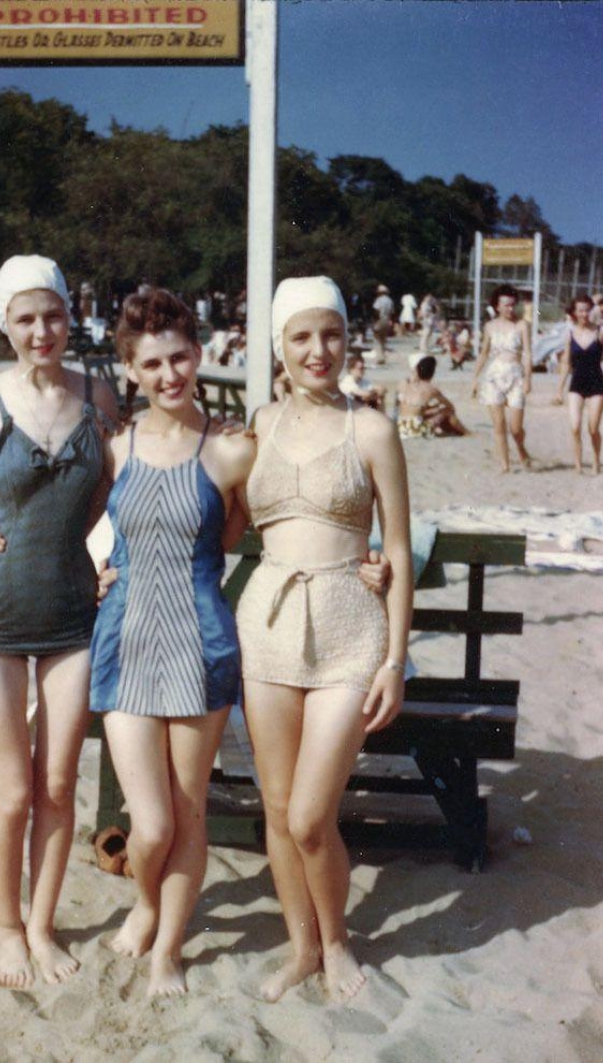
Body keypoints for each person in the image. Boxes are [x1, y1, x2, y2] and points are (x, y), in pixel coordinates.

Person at [0, 255, 118, 988]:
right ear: (4, 324)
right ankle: (6, 928)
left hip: (74, 612)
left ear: (71, 316)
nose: (42, 331)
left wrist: (105, 557)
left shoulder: (98, 395)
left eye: (54, 316)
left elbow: (113, 493)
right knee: (12, 789)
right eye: (26, 319)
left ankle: (41, 925)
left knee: (59, 784)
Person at [236, 276, 413, 1002]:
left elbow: (398, 548)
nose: (318, 350)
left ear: (347, 339)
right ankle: (302, 947)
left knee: (312, 815)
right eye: (301, 336)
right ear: (279, 346)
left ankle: (336, 941)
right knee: (279, 811)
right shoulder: (259, 424)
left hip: (349, 631)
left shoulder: (370, 429)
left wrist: (395, 660)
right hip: (267, 627)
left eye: (331, 334)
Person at [89, 289, 257, 998]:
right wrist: (93, 570)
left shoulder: (231, 449)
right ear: (130, 370)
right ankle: (147, 903)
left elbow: (273, 525)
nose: (169, 374)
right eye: (152, 363)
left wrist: (369, 559)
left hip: (200, 645)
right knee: (150, 824)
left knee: (187, 813)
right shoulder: (114, 447)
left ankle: (166, 949)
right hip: (124, 644)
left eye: (179, 357)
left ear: (199, 353)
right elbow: (66, 523)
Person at [552, 293, 603, 475]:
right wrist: (559, 390)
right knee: (575, 426)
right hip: (577, 383)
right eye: (580, 310)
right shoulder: (570, 333)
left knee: (593, 428)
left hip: (597, 383)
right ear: (574, 312)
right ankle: (578, 464)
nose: (584, 314)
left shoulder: (600, 332)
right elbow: (566, 363)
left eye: (587, 310)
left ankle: (596, 461)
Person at [470, 284, 533, 472]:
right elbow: (484, 353)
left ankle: (521, 448)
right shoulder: (489, 326)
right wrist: (474, 378)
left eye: (513, 305)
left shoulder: (522, 325)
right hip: (494, 375)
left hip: (515, 375)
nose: (510, 309)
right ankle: (505, 465)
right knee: (498, 424)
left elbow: (527, 354)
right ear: (497, 306)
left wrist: (528, 379)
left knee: (515, 428)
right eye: (506, 305)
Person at [396, 355, 468, 438]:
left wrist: (430, 409)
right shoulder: (431, 389)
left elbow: (412, 408)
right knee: (447, 411)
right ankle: (466, 433)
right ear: (432, 372)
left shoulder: (404, 384)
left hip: (400, 427)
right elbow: (450, 406)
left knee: (430, 412)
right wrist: (435, 409)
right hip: (415, 429)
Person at [371, 284, 394, 364]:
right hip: (387, 320)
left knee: (377, 338)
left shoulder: (379, 300)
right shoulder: (390, 300)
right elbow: (392, 312)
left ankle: (380, 357)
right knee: (384, 339)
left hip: (380, 319)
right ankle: (383, 356)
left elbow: (376, 310)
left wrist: (375, 320)